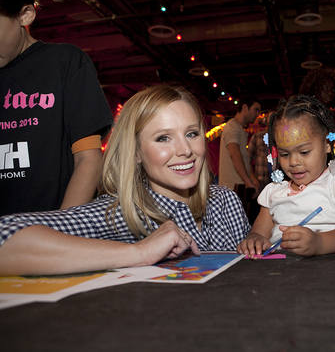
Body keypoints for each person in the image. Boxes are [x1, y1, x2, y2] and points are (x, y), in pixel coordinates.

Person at [0, 85, 250, 275]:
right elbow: (5, 235)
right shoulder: (117, 215)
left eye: (192, 133)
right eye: (164, 138)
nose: (185, 150)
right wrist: (138, 252)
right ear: (136, 153)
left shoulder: (225, 200)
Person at [0, 0, 113, 216]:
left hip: (50, 230)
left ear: (25, 15)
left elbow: (88, 159)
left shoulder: (64, 62)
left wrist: (58, 232)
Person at [236, 94, 335, 257]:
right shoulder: (273, 192)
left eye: (304, 152)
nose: (293, 162)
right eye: (284, 154)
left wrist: (319, 243)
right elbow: (259, 232)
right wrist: (254, 239)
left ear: (327, 145)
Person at [218, 96, 261, 196]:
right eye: (256, 110)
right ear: (245, 107)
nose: (258, 114)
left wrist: (252, 178)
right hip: (231, 188)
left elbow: (243, 158)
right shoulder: (232, 126)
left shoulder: (238, 128)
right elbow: (235, 155)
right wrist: (248, 182)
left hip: (237, 186)